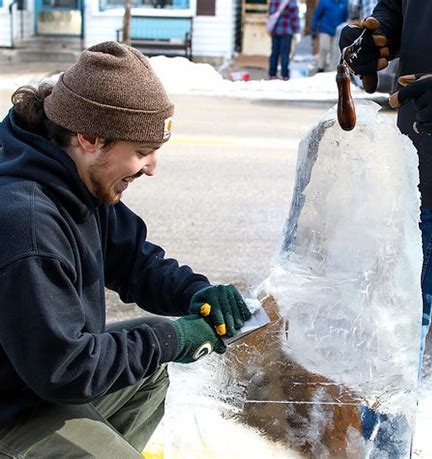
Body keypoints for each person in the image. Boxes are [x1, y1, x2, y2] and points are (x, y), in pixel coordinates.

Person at [0, 41, 251, 457]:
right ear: (89, 137)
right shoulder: (27, 222)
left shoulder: (71, 174)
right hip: (13, 407)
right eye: (141, 152)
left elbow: (134, 260)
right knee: (150, 348)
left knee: (147, 371)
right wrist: (172, 338)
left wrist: (195, 292)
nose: (152, 167)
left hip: (29, 378)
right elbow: (65, 368)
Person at [340, 3, 432, 457]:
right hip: (414, 168)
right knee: (391, 317)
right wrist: (371, 43)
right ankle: (382, 452)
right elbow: (394, 12)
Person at [311, 0, 348, 72]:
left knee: (334, 51)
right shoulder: (324, 1)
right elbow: (316, 15)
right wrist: (313, 29)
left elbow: (345, 17)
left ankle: (332, 70)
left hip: (337, 31)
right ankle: (320, 67)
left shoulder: (344, 2)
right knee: (324, 48)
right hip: (325, 29)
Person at [268, 0, 300, 81]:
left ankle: (272, 74)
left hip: (275, 30)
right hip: (286, 31)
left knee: (274, 53)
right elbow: (294, 17)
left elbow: (270, 13)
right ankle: (284, 75)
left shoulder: (274, 1)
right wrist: (296, 31)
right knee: (285, 54)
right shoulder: (291, 2)